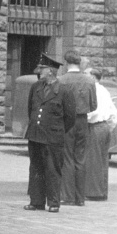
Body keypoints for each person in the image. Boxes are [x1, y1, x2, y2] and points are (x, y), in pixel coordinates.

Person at [24, 54, 70, 213]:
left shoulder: (64, 91)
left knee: (52, 169)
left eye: (42, 69)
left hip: (52, 138)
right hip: (36, 135)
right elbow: (30, 109)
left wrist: (55, 130)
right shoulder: (35, 87)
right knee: (35, 168)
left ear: (50, 71)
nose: (39, 72)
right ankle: (36, 201)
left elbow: (69, 118)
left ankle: (53, 202)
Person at [58, 50, 98, 206]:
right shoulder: (89, 80)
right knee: (80, 158)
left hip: (67, 122)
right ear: (79, 63)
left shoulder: (62, 80)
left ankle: (67, 196)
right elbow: (94, 105)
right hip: (83, 121)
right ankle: (80, 198)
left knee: (67, 157)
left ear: (67, 63)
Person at [85, 68, 117, 201]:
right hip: (104, 127)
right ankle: (102, 191)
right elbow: (114, 113)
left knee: (93, 160)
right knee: (102, 160)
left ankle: (94, 193)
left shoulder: (94, 90)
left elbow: (93, 111)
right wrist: (109, 127)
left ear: (93, 77)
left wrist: (83, 119)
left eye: (86, 74)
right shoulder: (104, 90)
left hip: (95, 126)